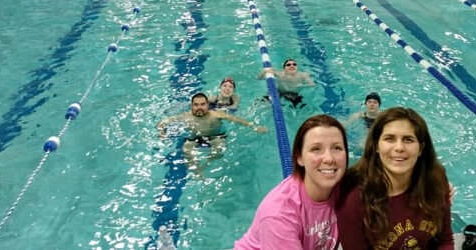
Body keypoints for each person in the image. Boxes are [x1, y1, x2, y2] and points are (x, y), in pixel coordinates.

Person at [336, 107, 454, 250]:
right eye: (389, 139)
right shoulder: (354, 200)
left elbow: (445, 241)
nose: (399, 148)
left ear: (421, 148)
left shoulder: (435, 180)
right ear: (376, 146)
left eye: (408, 139)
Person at [235, 114, 348, 250]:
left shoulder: (346, 188)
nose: (329, 159)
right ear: (299, 157)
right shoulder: (279, 214)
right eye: (316, 149)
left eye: (337, 148)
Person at [156, 93, 266, 168]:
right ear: (192, 106)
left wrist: (255, 127)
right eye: (196, 105)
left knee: (219, 147)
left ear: (208, 105)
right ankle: (197, 172)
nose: (199, 107)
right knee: (186, 148)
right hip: (195, 138)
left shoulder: (216, 114)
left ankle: (207, 165)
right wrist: (162, 134)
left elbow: (237, 120)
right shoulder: (186, 116)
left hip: (215, 137)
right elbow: (162, 122)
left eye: (202, 104)